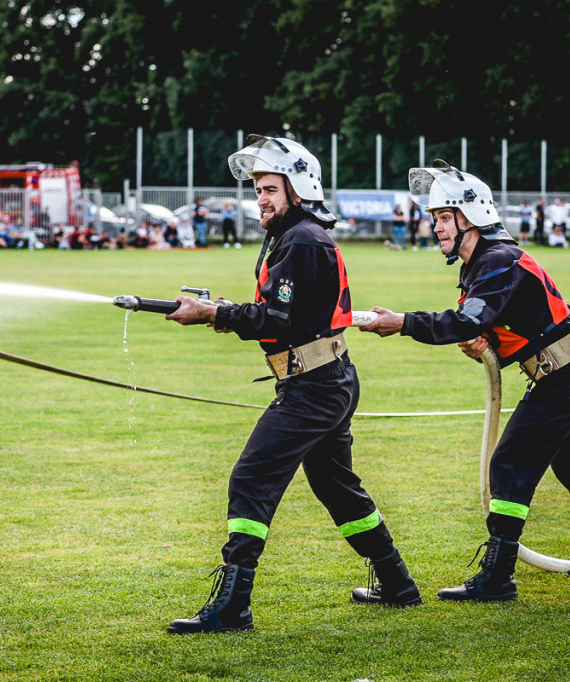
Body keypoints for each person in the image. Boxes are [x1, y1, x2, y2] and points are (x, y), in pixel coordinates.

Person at [164, 135, 420, 635]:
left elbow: (276, 315)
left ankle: (233, 606)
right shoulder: (297, 235)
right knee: (339, 490)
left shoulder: (302, 239)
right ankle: (397, 582)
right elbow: (284, 317)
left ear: (297, 188)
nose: (260, 198)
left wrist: (214, 312)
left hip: (315, 386)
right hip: (324, 379)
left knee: (251, 479)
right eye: (258, 189)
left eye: (270, 189)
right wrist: (224, 313)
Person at [360, 161, 570, 602]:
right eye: (434, 218)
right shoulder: (486, 262)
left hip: (565, 376)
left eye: (444, 217)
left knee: (508, 465)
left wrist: (404, 322)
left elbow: (466, 318)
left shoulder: (496, 260)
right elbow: (501, 321)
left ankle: (498, 577)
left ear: (472, 217)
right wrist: (484, 340)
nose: (435, 227)